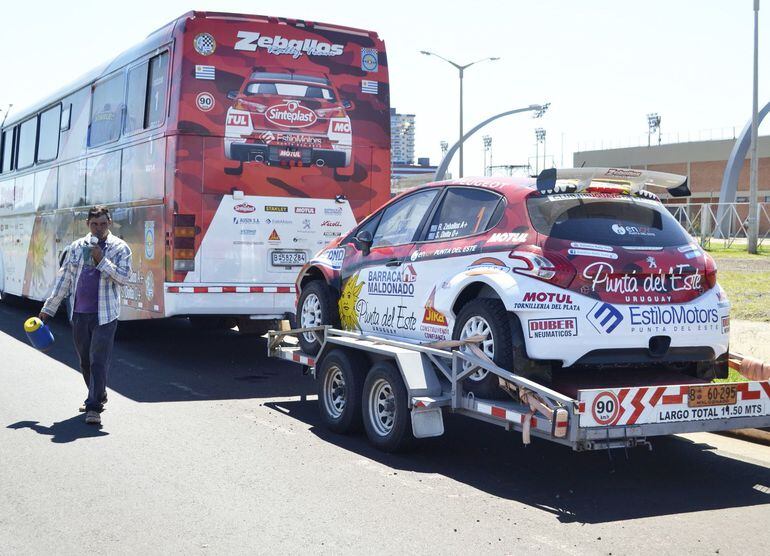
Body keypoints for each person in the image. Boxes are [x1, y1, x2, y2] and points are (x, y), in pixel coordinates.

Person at [39, 206, 132, 425]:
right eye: (94, 224)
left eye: (103, 224)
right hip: (79, 313)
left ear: (109, 222)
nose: (99, 228)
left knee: (98, 360)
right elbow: (65, 280)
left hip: (105, 315)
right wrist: (48, 309)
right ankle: (99, 393)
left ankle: (93, 407)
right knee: (85, 361)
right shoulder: (76, 247)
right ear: (87, 224)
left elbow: (124, 278)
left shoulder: (120, 248)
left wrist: (101, 261)